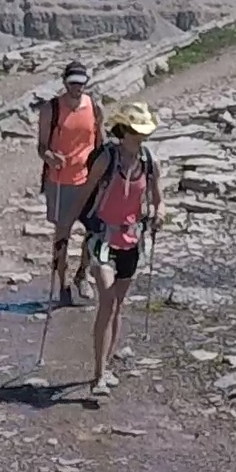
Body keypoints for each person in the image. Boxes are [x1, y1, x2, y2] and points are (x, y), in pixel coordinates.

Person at [55, 101, 163, 397]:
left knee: (118, 306)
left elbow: (158, 199)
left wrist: (159, 213)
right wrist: (66, 226)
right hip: (101, 237)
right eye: (137, 132)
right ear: (123, 130)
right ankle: (99, 376)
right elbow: (85, 194)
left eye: (144, 132)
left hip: (131, 240)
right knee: (107, 299)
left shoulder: (149, 162)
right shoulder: (106, 159)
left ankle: (106, 365)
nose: (142, 138)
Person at [36, 61, 102, 306]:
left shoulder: (94, 107)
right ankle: (63, 285)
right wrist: (50, 157)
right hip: (60, 181)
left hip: (88, 180)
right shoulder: (51, 109)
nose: (77, 88)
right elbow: (41, 147)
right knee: (62, 235)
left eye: (81, 84)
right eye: (72, 83)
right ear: (65, 82)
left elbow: (99, 141)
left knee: (95, 231)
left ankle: (82, 275)